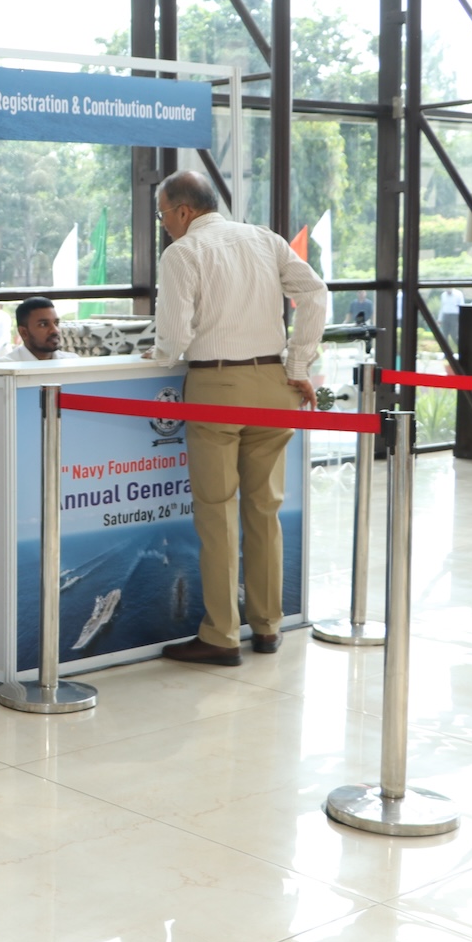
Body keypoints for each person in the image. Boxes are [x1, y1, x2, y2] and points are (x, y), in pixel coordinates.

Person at [150, 169, 327, 666]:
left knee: (217, 514)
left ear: (184, 211)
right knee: (264, 511)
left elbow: (173, 337)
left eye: (163, 215)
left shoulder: (183, 252)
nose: (164, 225)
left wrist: (160, 354)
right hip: (274, 386)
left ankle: (222, 635)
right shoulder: (264, 239)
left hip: (216, 388)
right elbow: (315, 293)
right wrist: (298, 363)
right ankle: (268, 627)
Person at [0, 297, 81, 362]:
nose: (55, 330)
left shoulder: (72, 362)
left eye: (56, 323)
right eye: (43, 324)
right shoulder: (5, 368)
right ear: (24, 332)